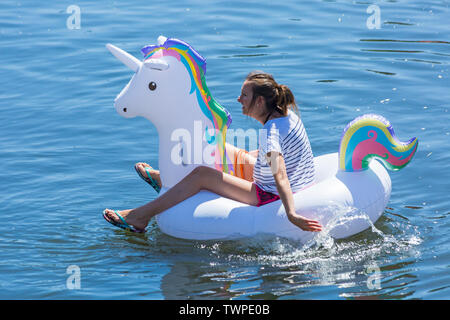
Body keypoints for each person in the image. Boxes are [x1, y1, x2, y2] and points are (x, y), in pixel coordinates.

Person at [103, 71, 322, 233]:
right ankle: (165, 179)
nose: (239, 100)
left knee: (203, 175)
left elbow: (279, 173)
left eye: (244, 95)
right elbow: (281, 156)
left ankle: (141, 216)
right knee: (217, 147)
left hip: (268, 195)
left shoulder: (270, 134)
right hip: (286, 181)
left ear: (260, 101)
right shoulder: (287, 116)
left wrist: (291, 214)